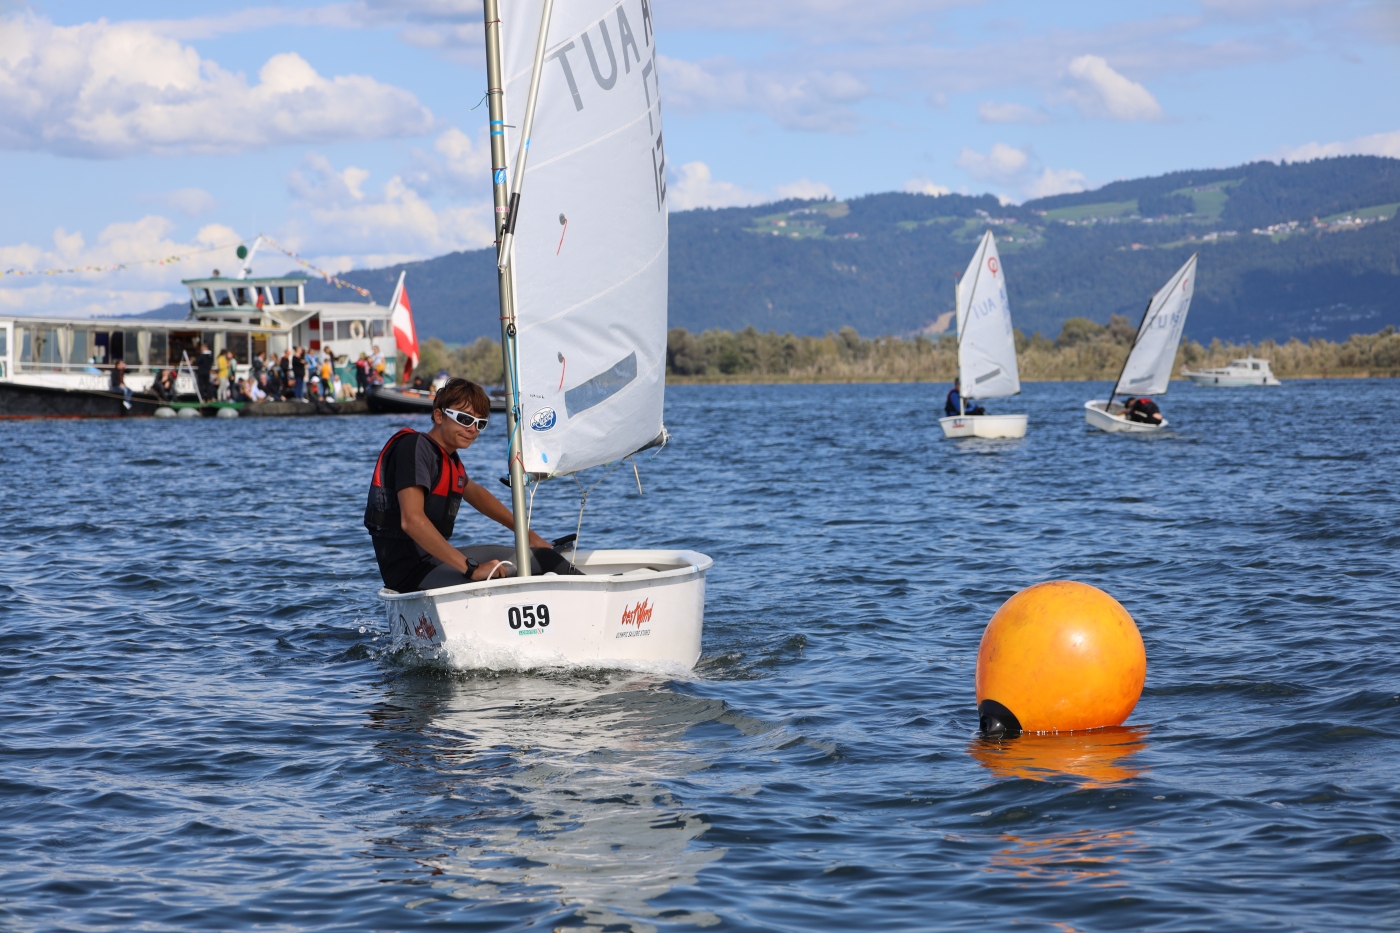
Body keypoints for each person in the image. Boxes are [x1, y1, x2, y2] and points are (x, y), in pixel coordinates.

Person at [364, 378, 581, 593]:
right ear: (439, 416)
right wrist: (471, 569)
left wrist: (528, 536)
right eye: (464, 419)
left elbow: (478, 495)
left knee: (543, 558)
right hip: (412, 573)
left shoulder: (449, 460)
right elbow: (411, 521)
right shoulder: (415, 447)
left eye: (480, 423)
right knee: (540, 563)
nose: (472, 429)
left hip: (433, 562)